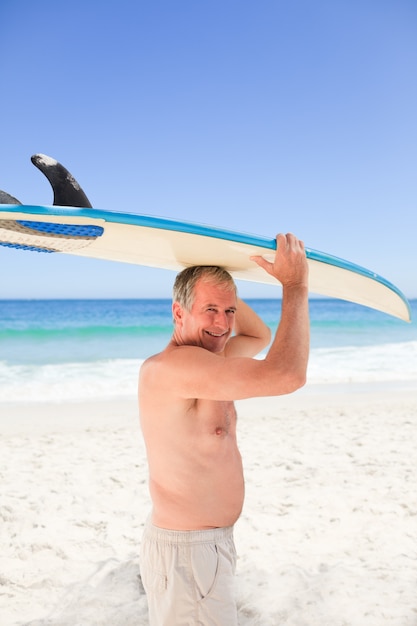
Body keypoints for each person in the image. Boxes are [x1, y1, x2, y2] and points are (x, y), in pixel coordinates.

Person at [139, 232, 310, 625]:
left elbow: (258, 335)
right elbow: (286, 374)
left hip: (207, 548)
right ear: (178, 314)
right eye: (209, 310)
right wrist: (295, 286)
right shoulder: (173, 369)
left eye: (229, 311)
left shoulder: (212, 358)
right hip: (188, 553)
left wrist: (215, 274)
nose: (222, 323)